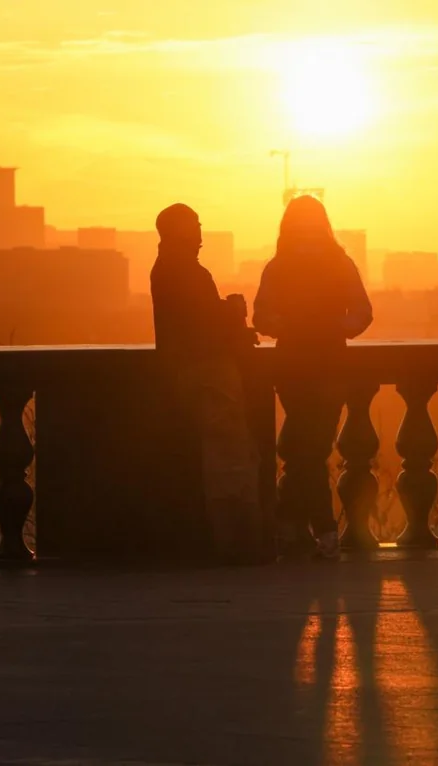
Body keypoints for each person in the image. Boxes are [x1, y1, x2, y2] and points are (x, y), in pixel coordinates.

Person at [252, 195, 373, 560]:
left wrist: (307, 328)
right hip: (315, 365)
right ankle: (319, 530)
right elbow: (362, 313)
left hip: (305, 365)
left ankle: (296, 524)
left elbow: (261, 316)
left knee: (308, 449)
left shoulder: (280, 266)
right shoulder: (335, 263)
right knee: (313, 448)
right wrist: (333, 328)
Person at [150, 203, 269, 565]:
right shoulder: (184, 271)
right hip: (209, 381)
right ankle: (234, 542)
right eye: (196, 225)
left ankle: (230, 540)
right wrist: (233, 316)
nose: (201, 232)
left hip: (192, 376)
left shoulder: (170, 268)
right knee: (228, 463)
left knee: (222, 461)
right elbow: (201, 328)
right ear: (182, 231)